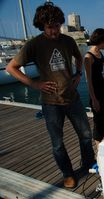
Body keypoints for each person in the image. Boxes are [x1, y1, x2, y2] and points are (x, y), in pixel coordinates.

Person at [6, 2, 95, 188]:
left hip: (73, 99)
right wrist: (34, 83)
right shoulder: (34, 45)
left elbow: (79, 58)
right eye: (49, 27)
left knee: (86, 135)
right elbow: (11, 68)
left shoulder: (68, 41)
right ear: (41, 26)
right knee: (57, 143)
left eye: (57, 26)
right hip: (51, 103)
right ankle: (68, 174)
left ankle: (88, 165)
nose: (54, 30)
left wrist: (78, 74)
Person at [84, 28, 104, 147]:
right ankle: (99, 151)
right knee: (99, 124)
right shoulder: (89, 57)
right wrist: (94, 99)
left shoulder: (100, 53)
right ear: (101, 40)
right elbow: (89, 81)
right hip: (97, 95)